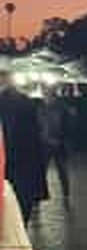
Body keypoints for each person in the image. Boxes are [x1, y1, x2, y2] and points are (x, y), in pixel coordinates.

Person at [0, 65, 47, 223]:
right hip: (24, 162)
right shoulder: (25, 101)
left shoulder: (11, 101)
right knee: (22, 203)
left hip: (12, 162)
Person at [38, 86, 73, 202]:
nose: (46, 97)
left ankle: (66, 194)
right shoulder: (41, 108)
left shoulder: (62, 108)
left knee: (62, 170)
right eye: (45, 95)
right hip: (46, 144)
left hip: (58, 144)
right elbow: (39, 126)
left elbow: (67, 127)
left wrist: (61, 140)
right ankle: (40, 194)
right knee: (42, 170)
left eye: (48, 95)